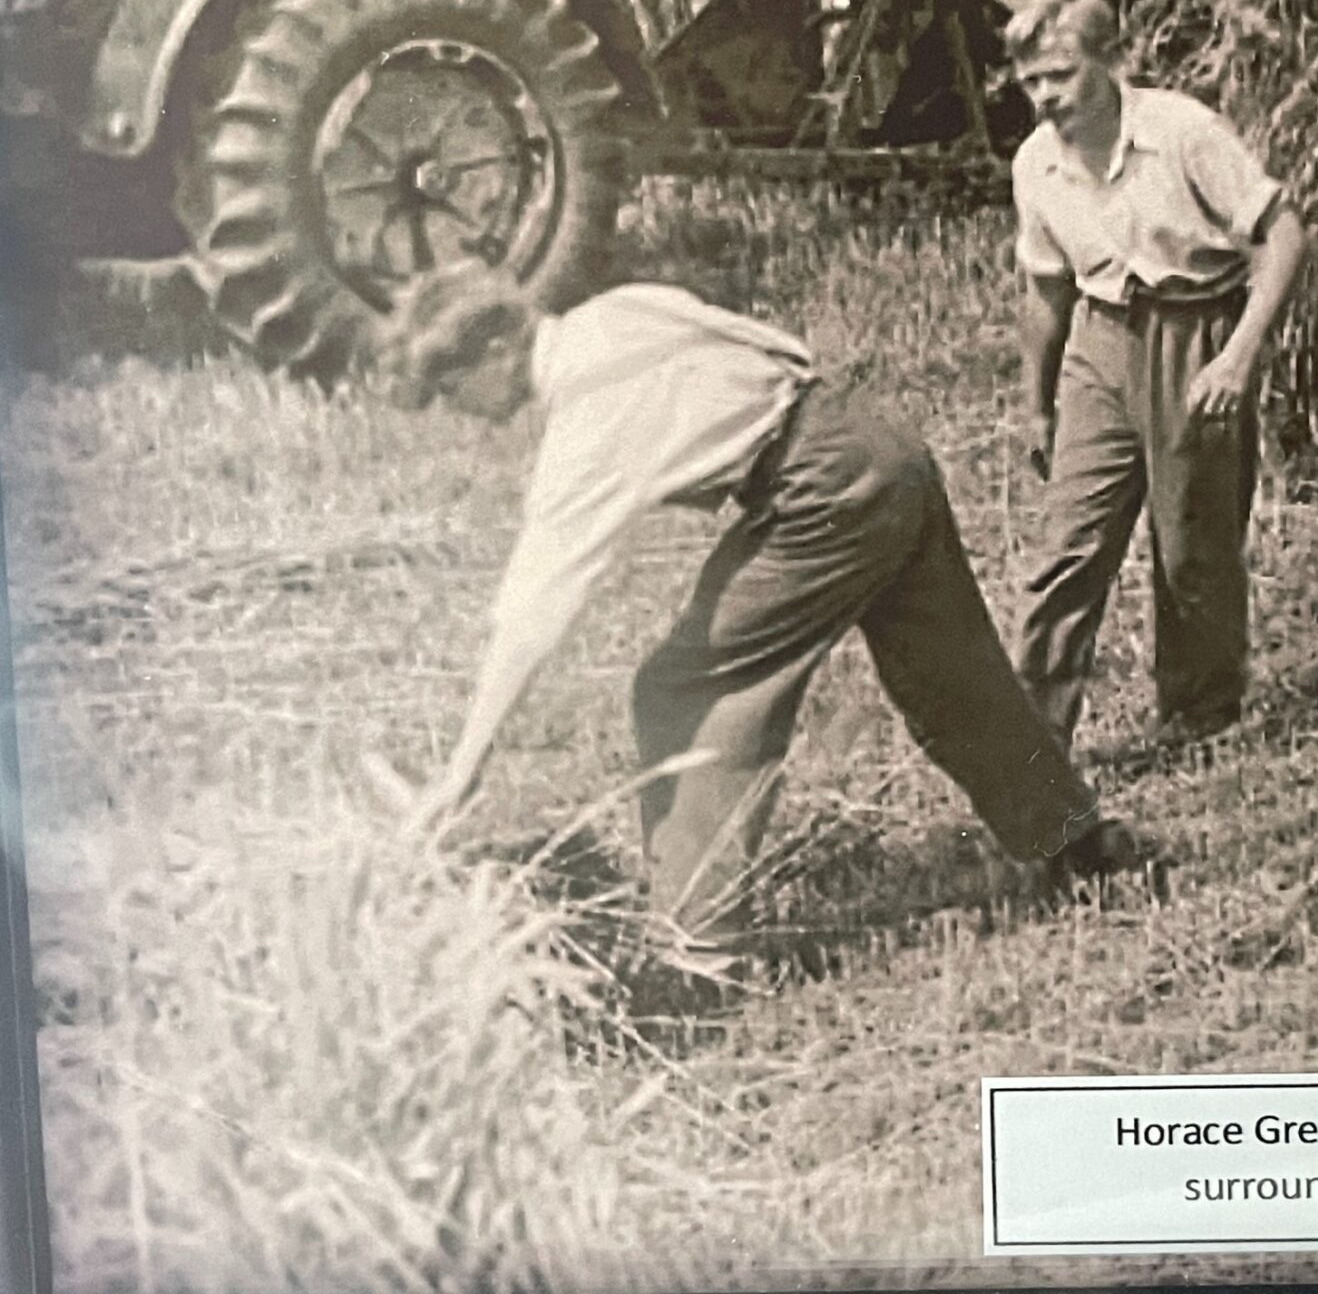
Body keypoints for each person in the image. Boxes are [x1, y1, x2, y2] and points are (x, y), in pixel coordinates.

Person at [384, 271, 1151, 962]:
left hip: (820, 487)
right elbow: (764, 350)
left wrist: (464, 770)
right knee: (951, 673)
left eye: (453, 389)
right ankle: (1082, 847)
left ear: (490, 349)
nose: (471, 418)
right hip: (875, 437)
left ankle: (698, 948)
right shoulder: (618, 308)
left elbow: (535, 609)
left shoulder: (586, 421)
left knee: (684, 689)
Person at [1008, 0, 1307, 753]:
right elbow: (1046, 291)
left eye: (1060, 76)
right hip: (1098, 342)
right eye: (1030, 80)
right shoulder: (1035, 164)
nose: (1044, 98)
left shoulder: (1181, 133)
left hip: (1195, 334)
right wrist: (1037, 405)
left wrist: (1239, 356)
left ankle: (1200, 718)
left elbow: (1283, 235)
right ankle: (1031, 742)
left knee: (1191, 548)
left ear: (1110, 63)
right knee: (1066, 551)